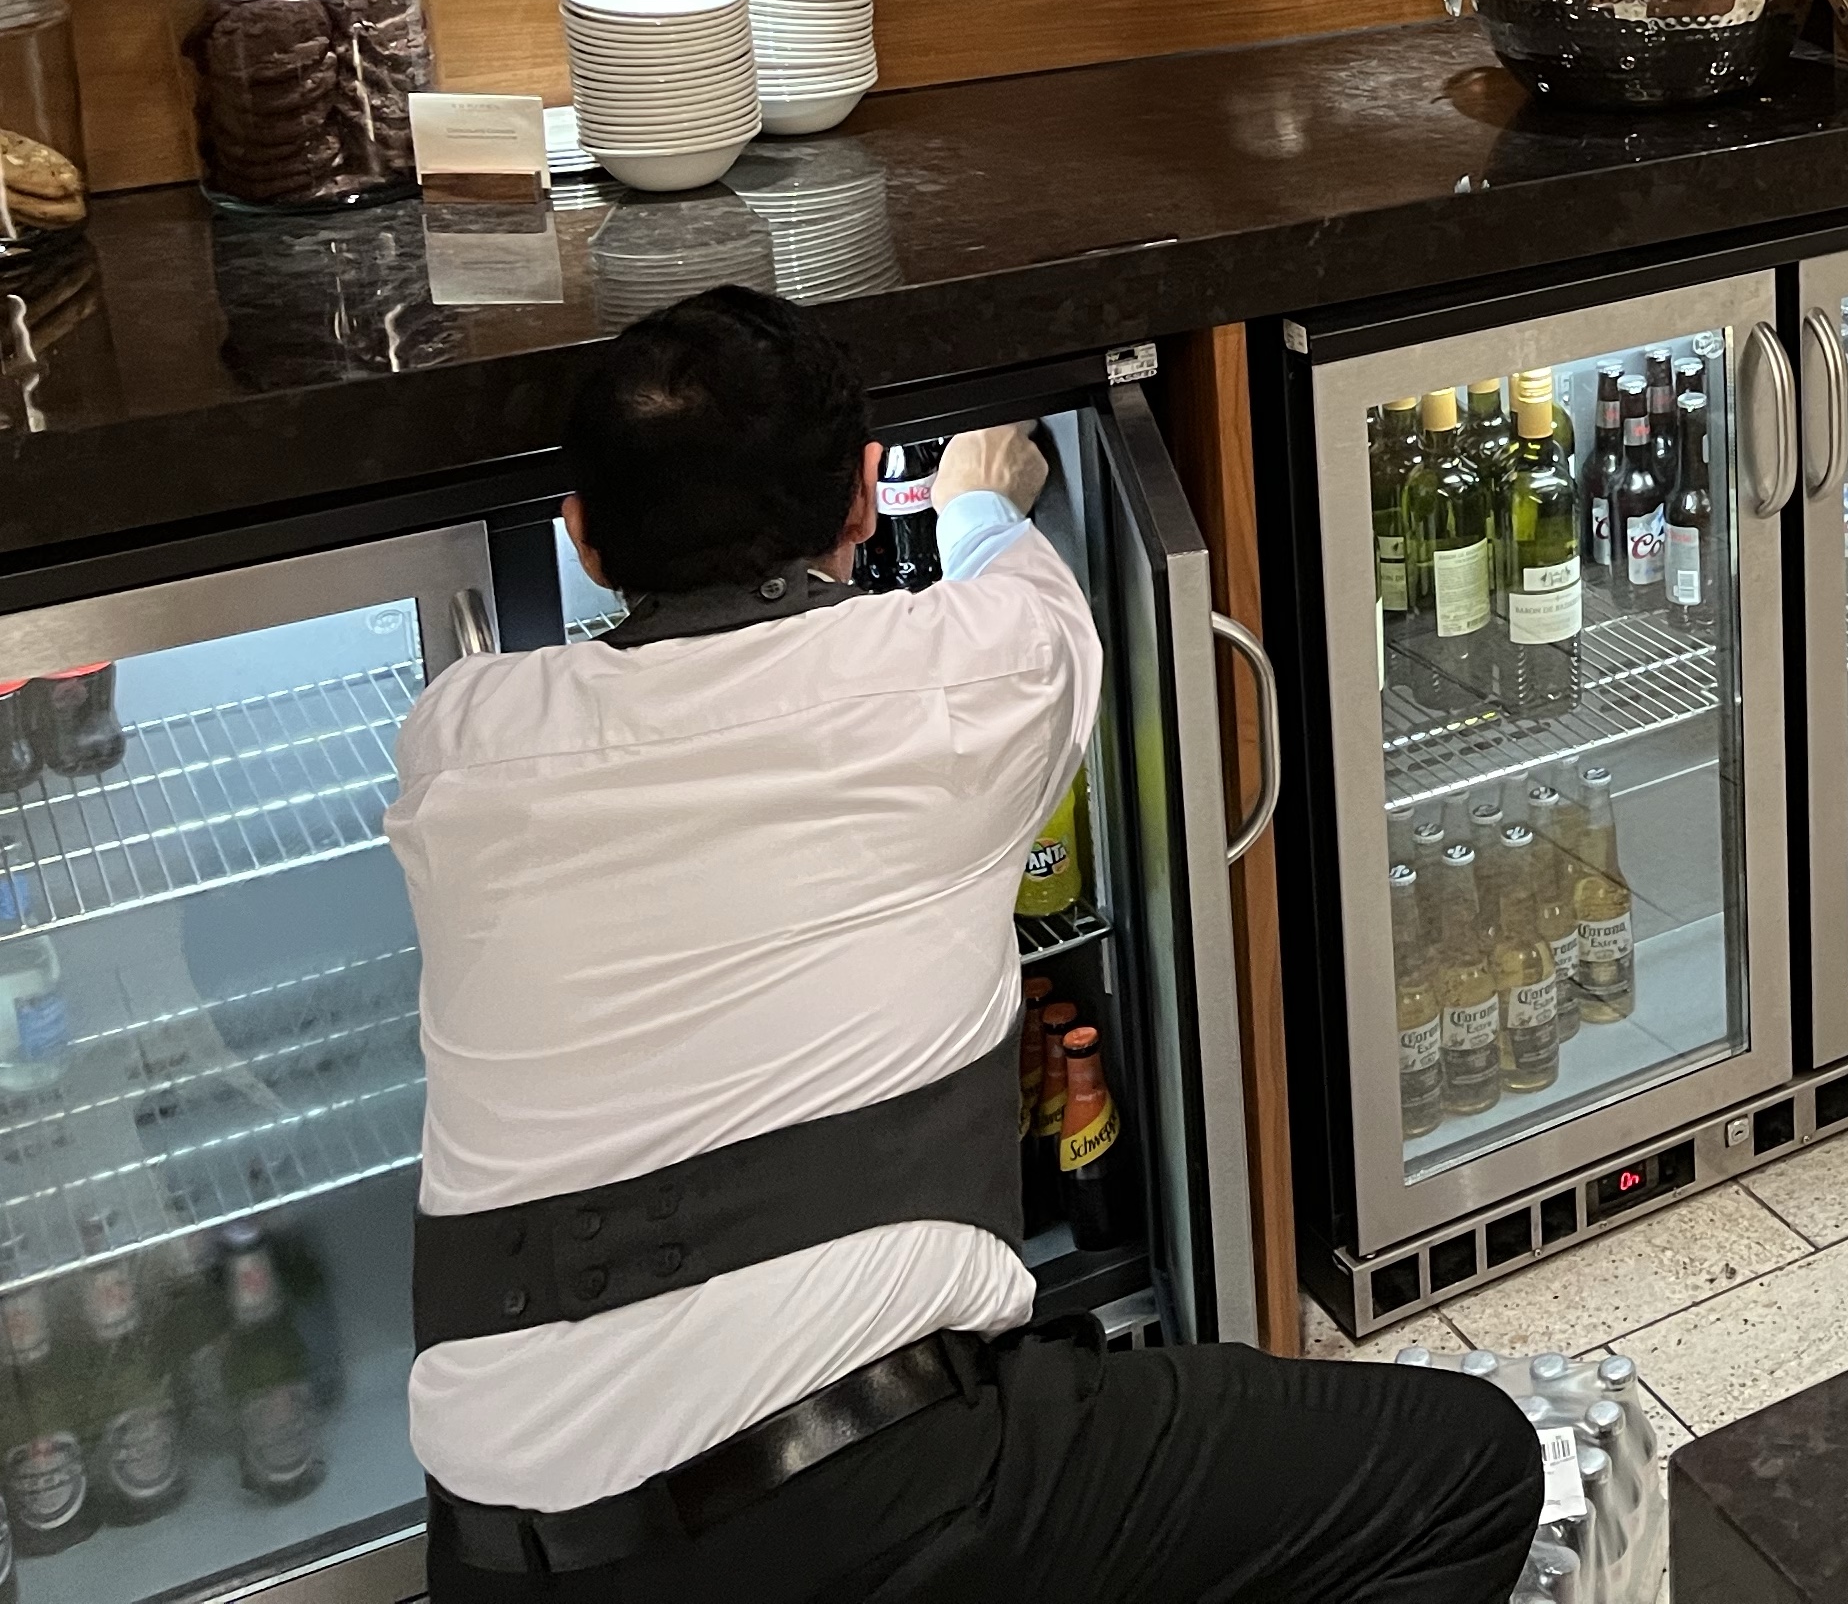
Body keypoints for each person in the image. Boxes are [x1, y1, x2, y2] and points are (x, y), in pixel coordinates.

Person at [389, 284, 1540, 1603]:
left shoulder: (456, 741)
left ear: (580, 536)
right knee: (1471, 1469)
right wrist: (980, 498)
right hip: (868, 1498)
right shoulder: (963, 679)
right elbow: (1025, 582)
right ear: (862, 501)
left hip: (496, 1556)